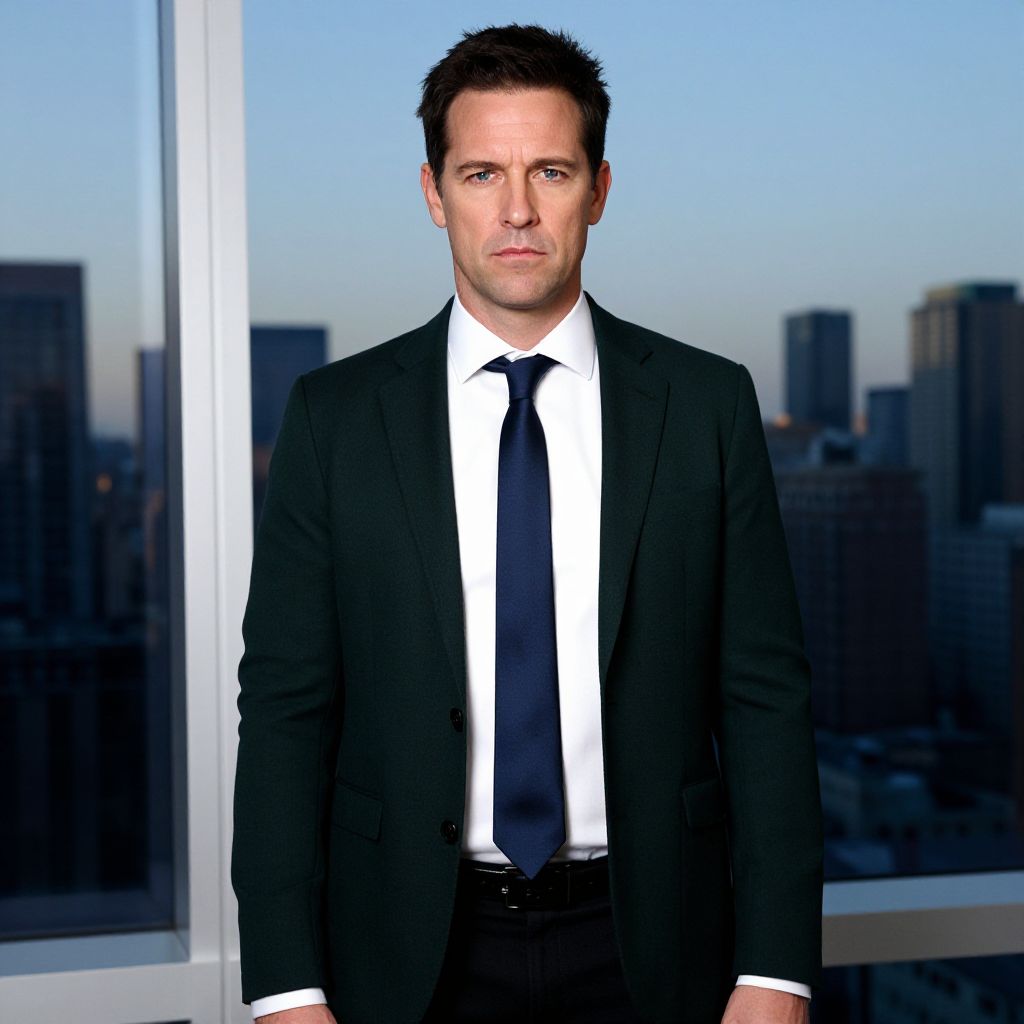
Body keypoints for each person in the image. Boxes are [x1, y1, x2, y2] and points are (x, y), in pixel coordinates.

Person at [231, 22, 824, 1024]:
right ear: (432, 193)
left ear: (597, 187)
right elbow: (286, 713)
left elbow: (764, 700)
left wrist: (775, 973)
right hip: (409, 951)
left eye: (549, 170)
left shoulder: (706, 406)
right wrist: (286, 988)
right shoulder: (334, 418)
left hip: (656, 947)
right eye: (479, 174)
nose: (515, 209)